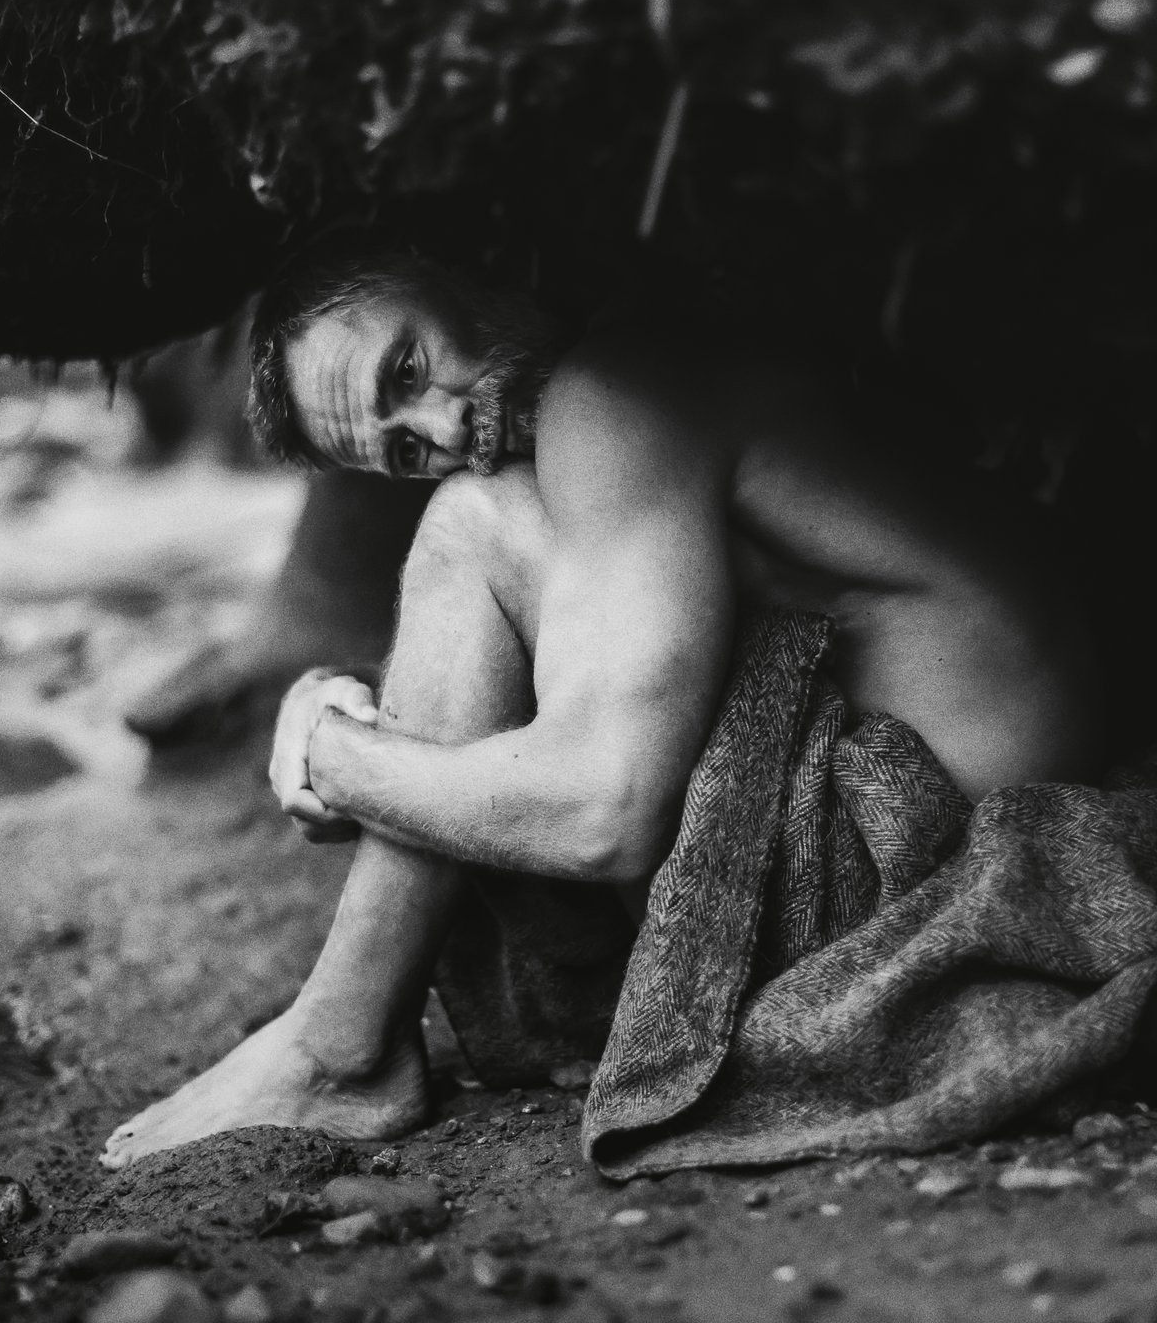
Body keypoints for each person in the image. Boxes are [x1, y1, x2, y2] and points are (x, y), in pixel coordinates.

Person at [101, 248, 1103, 1168]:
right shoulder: (686, 328)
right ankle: (339, 1040)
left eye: (407, 369)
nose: (446, 431)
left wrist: (338, 758)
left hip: (907, 861)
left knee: (472, 522)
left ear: (456, 262)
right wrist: (338, 708)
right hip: (965, 803)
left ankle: (340, 1045)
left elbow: (602, 818)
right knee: (484, 529)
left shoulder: (614, 392)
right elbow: (622, 650)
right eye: (404, 452)